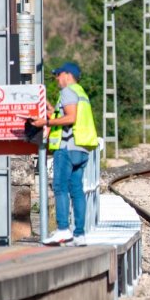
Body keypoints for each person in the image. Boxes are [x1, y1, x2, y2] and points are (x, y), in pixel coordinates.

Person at [31, 61, 98, 246]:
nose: (56, 79)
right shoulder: (81, 92)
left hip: (67, 147)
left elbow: (71, 117)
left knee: (60, 188)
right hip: (82, 148)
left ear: (67, 75)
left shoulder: (68, 92)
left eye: (58, 75)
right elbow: (69, 117)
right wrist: (52, 110)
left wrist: (44, 122)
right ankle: (79, 234)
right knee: (77, 190)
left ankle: (62, 230)